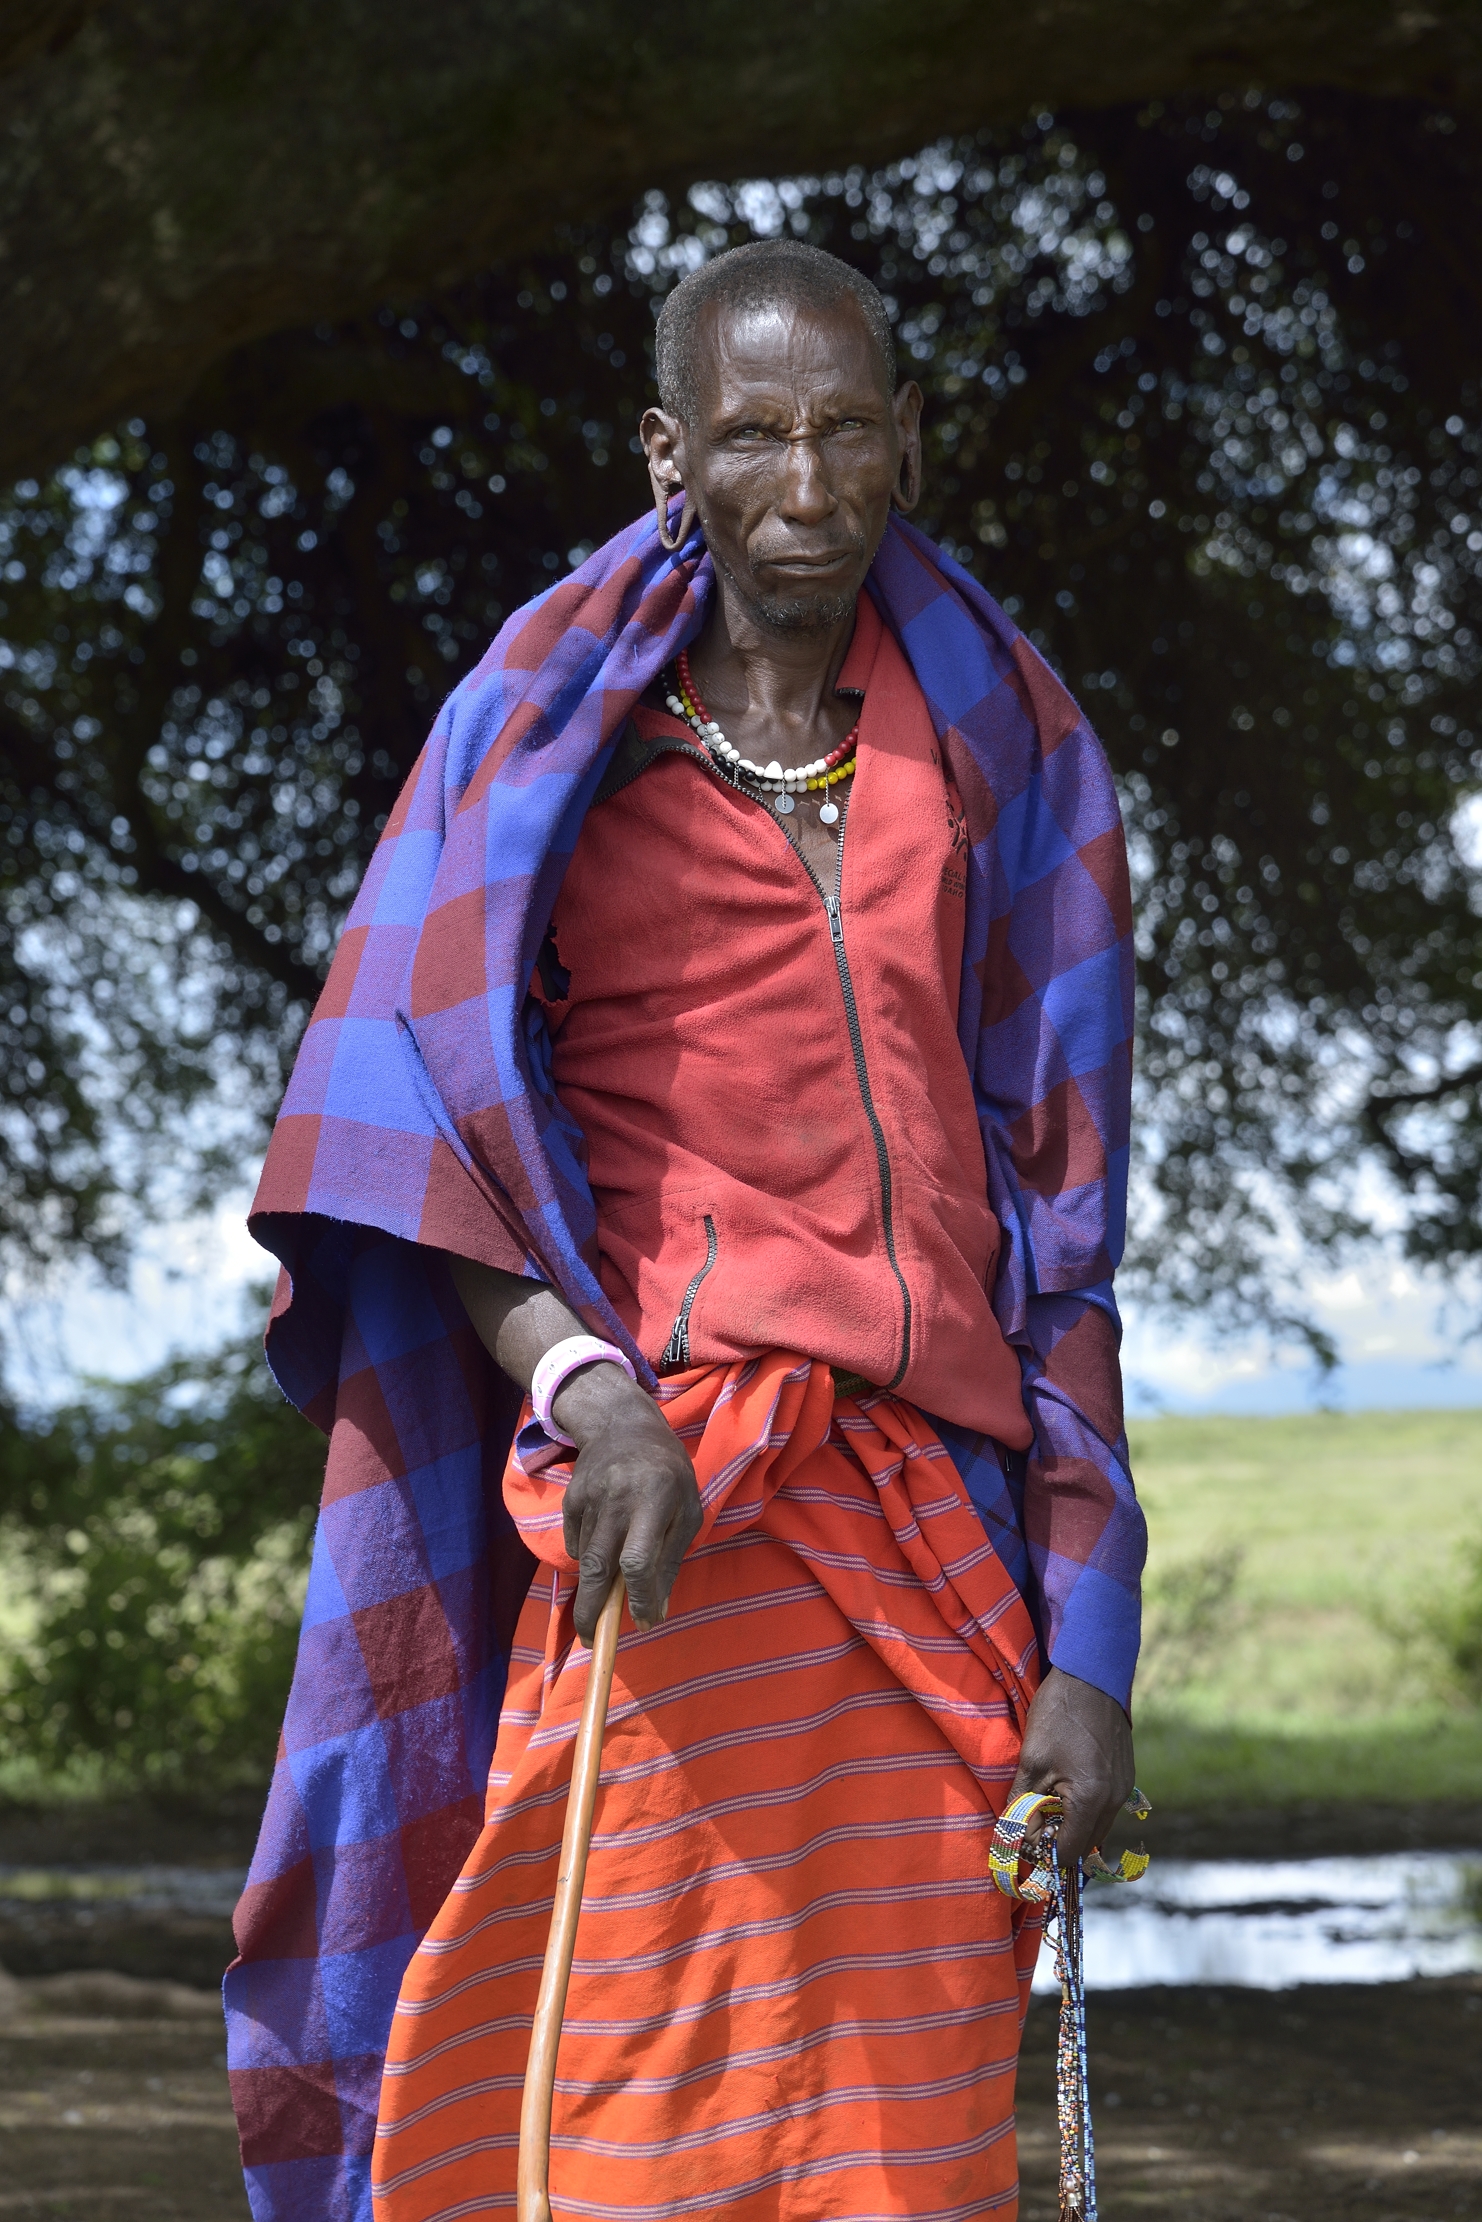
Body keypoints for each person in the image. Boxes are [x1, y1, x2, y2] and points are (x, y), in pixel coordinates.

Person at [226, 239, 1145, 2222]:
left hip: (938, 1565)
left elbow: (1063, 1245)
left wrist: (1098, 1645)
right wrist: (585, 1386)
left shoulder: (1009, 767)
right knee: (624, 2129)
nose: (803, 485)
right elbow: (404, 1138)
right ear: (671, 456)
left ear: (909, 441)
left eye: (842, 432)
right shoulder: (545, 761)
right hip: (675, 1529)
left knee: (904, 2150)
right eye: (751, 436)